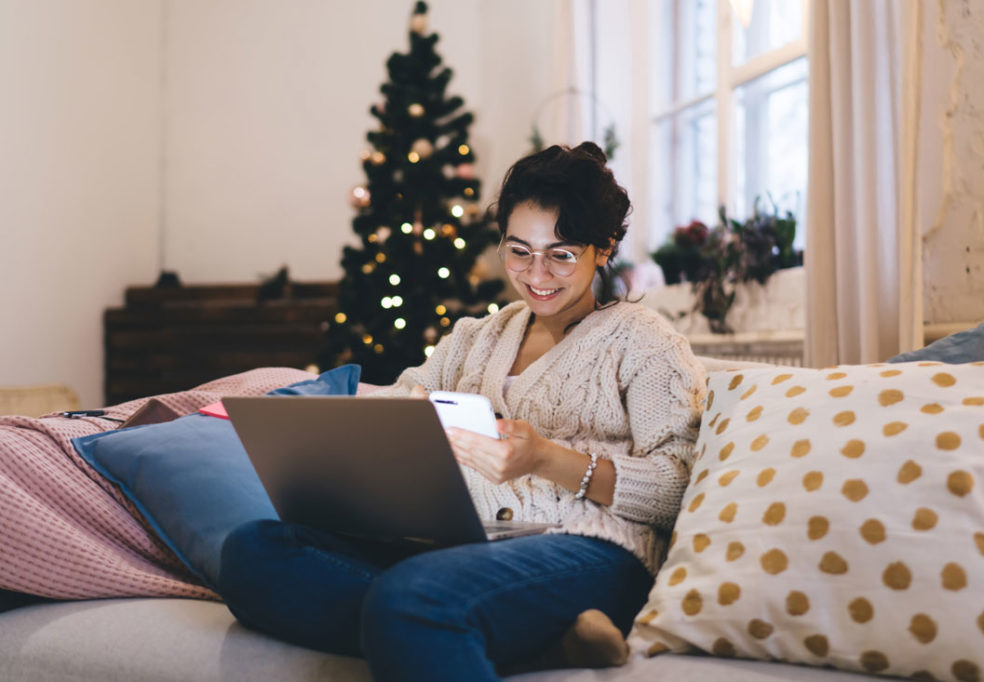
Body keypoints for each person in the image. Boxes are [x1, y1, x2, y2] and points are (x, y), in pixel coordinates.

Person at [216, 142, 707, 681]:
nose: (536, 274)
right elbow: (398, 406)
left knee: (413, 597)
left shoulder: (645, 341)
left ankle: (430, 622)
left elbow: (677, 487)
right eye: (518, 251)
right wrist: (392, 426)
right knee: (254, 552)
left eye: (561, 254)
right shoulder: (475, 337)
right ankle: (530, 645)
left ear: (605, 248)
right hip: (459, 545)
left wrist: (546, 459)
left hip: (591, 550)